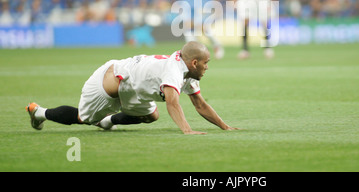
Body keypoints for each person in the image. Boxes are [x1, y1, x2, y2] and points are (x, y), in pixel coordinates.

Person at [26, 41, 238, 135]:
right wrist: (187, 130)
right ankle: (38, 112)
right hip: (114, 81)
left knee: (151, 116)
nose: (207, 67)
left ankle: (107, 121)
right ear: (194, 63)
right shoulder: (174, 70)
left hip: (135, 89)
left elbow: (199, 104)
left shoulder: (188, 72)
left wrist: (224, 126)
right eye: (206, 62)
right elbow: (173, 104)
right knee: (84, 118)